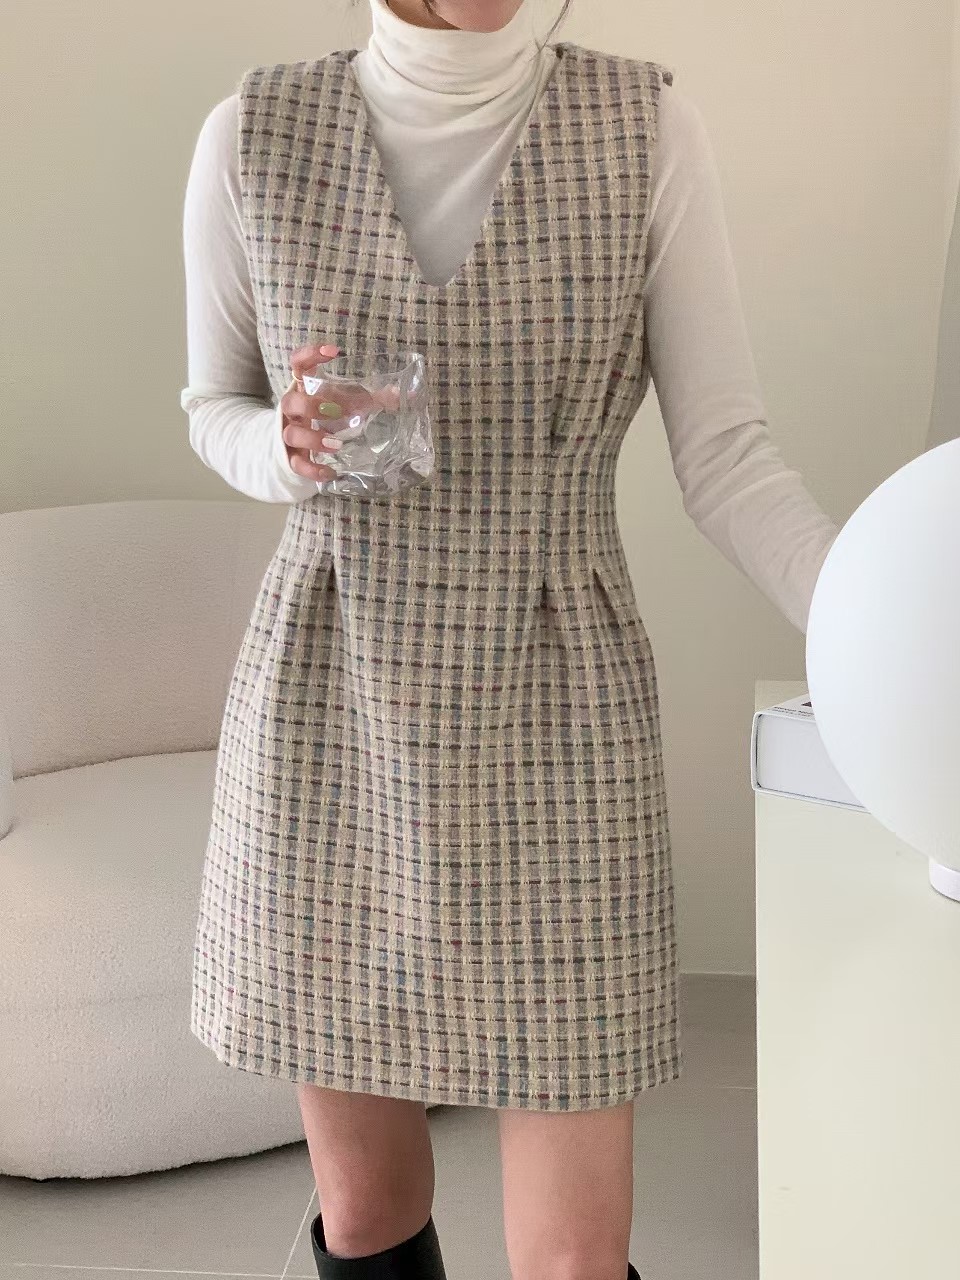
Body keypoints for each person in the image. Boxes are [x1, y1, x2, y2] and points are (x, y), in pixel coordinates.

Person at [179, 1, 839, 1277]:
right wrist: (283, 448)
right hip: (334, 706)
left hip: (559, 713)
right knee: (366, 1212)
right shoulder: (254, 132)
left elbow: (726, 457)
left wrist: (886, 621)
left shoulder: (645, 127)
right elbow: (215, 401)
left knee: (573, 1258)